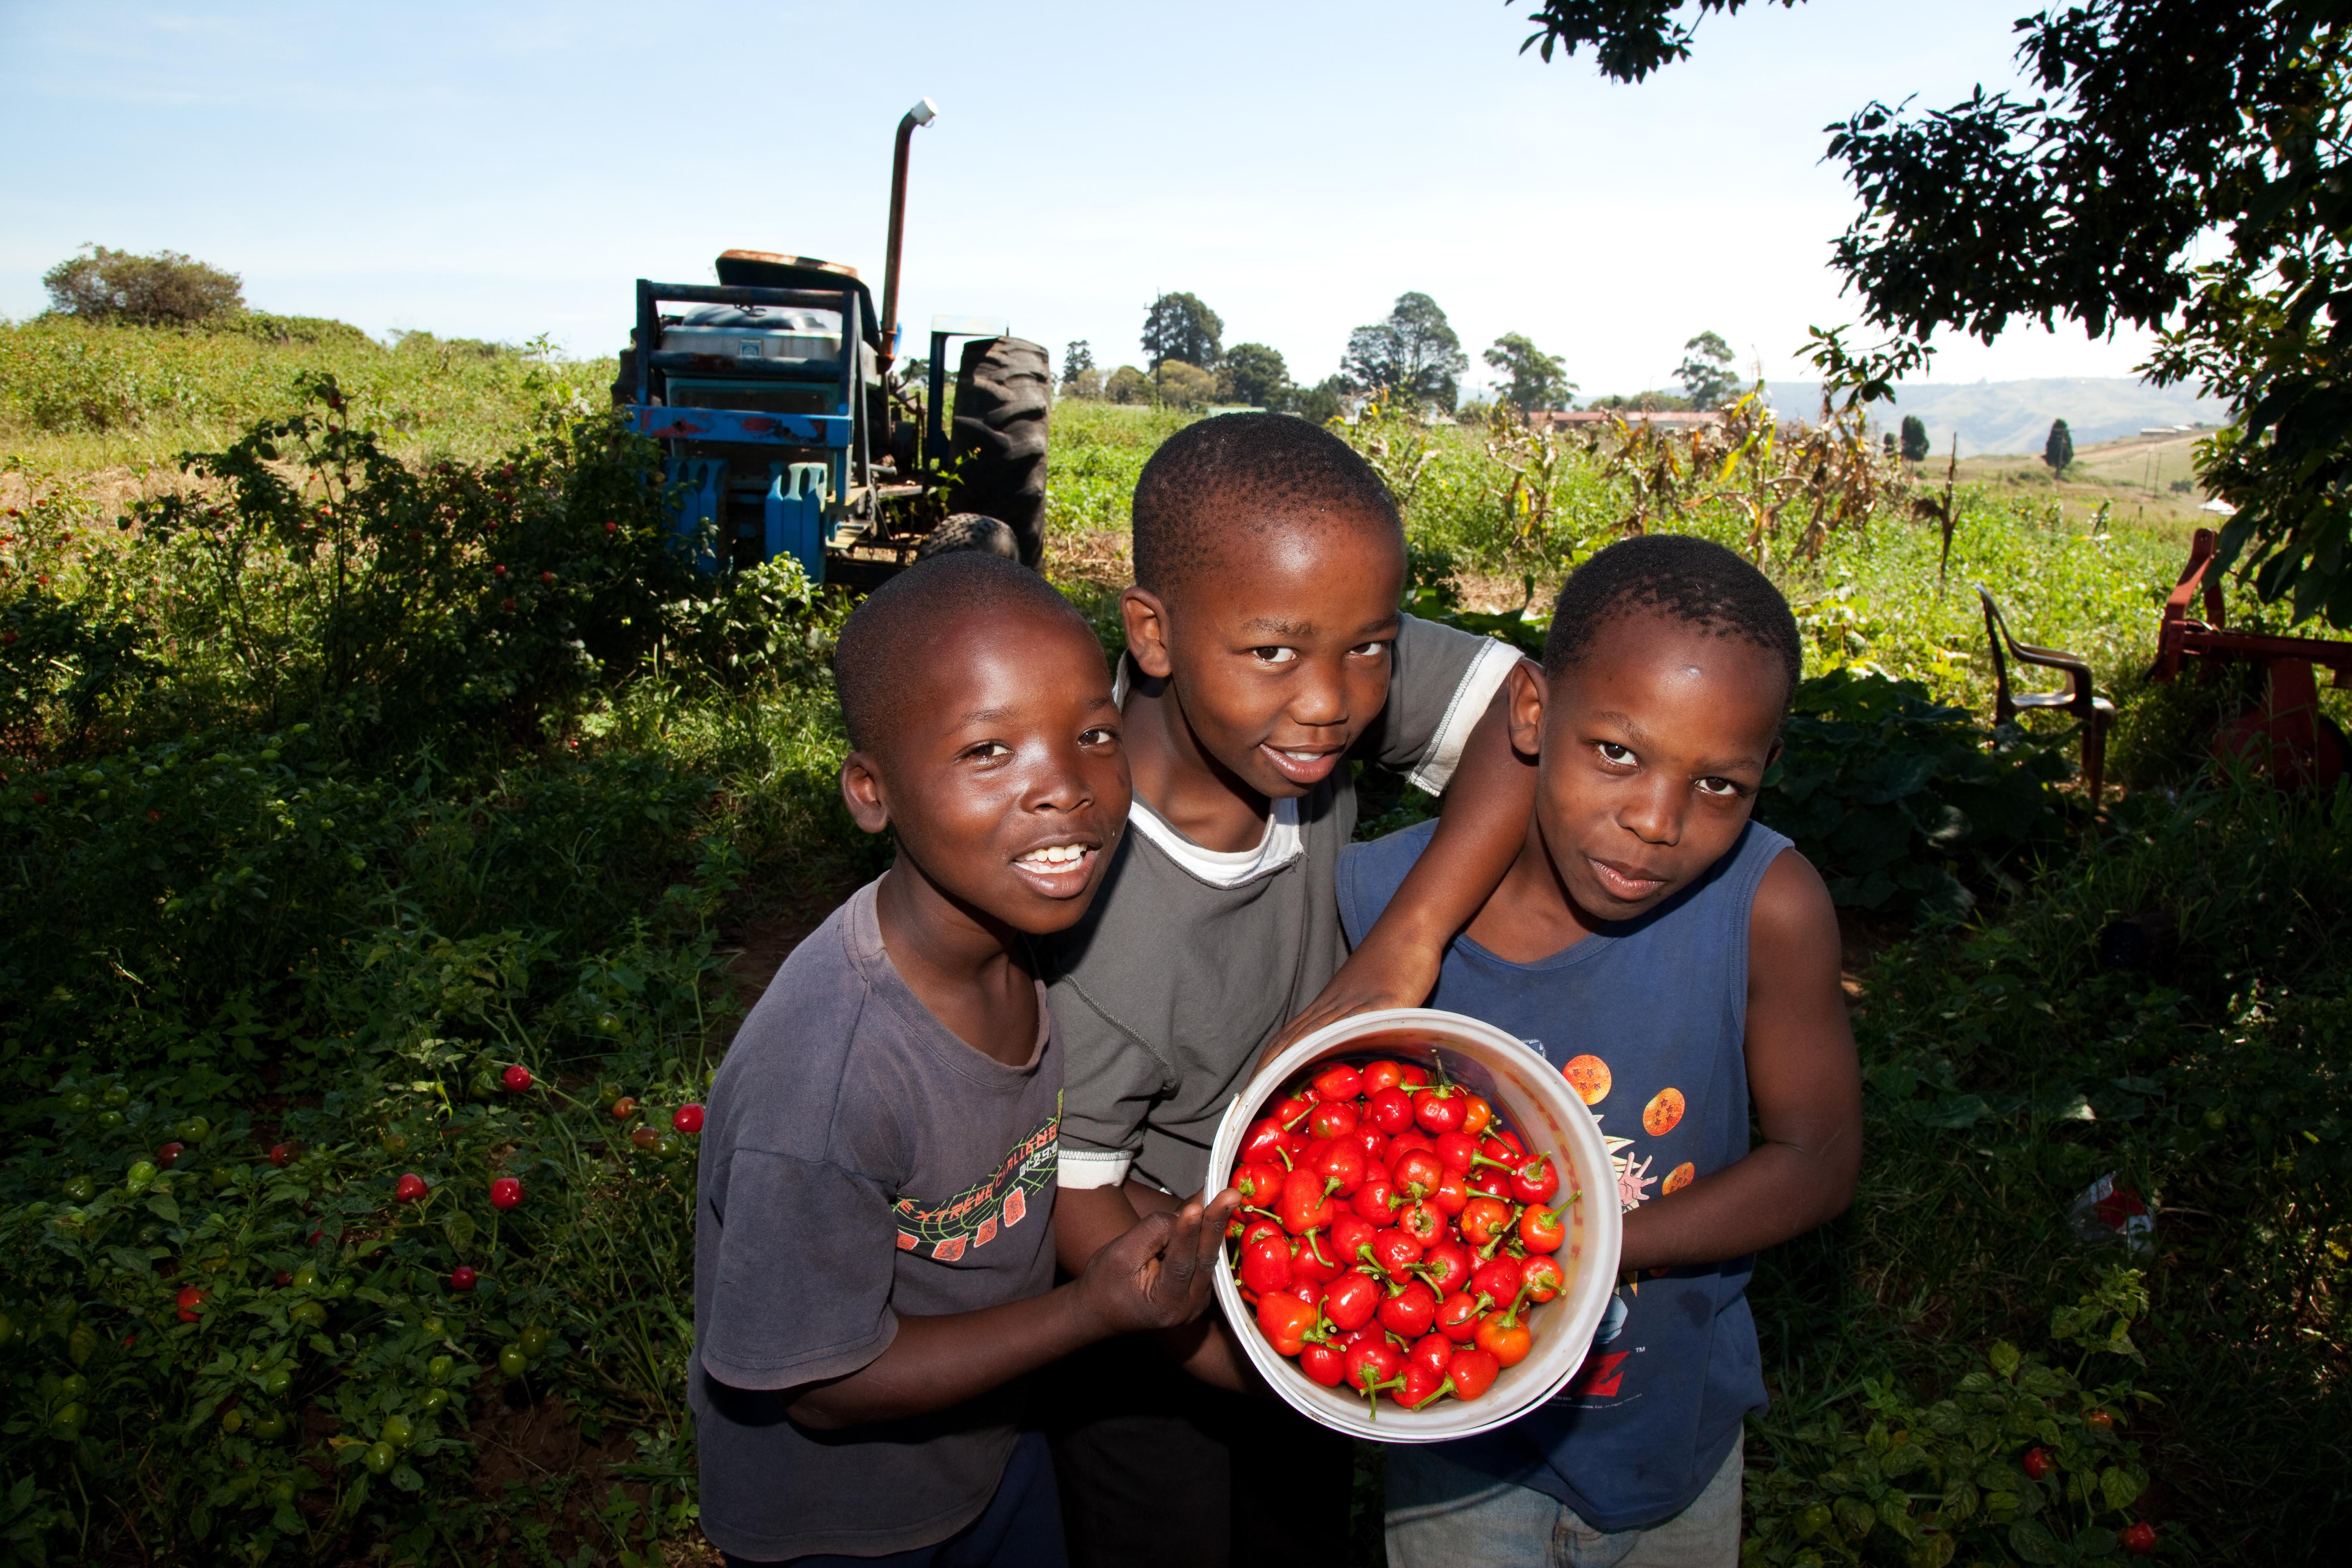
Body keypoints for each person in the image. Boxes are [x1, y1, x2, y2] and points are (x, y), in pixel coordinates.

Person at [1042, 413, 1538, 1568]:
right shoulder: (1096, 916)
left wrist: (1403, 945)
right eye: (1277, 654)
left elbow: (1524, 707)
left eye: (1370, 647)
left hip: (1312, 1239)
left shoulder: (1295, 681)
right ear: (1153, 635)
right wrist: (1266, 1367)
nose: (1333, 702)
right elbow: (1082, 1207)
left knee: (1298, 1536)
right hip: (1148, 1307)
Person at [693, 552, 1240, 1568]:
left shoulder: (1027, 941)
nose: (1066, 791)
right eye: (990, 750)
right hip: (844, 1525)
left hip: (994, 1445)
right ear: (871, 790)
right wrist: (1091, 1310)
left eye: (1094, 735)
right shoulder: (826, 1087)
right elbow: (820, 1389)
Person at [1342, 534, 1864, 1568]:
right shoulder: (1376, 909)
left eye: (1720, 785)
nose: (1657, 823)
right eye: (1617, 753)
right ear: (1532, 712)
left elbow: (1821, 1159)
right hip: (1458, 1438)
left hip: (1672, 1438)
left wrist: (1592, 1248)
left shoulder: (1771, 908)